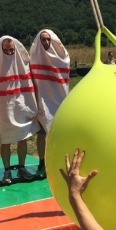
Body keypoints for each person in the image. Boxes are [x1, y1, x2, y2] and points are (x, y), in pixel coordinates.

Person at [0, 36, 40, 184]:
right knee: (5, 141)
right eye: (6, 50)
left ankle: (22, 167)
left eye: (11, 50)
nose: (9, 52)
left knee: (22, 139)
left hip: (20, 104)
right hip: (3, 108)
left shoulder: (22, 63)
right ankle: (7, 171)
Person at [30, 29, 70, 179]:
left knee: (59, 135)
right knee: (41, 135)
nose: (46, 42)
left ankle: (59, 161)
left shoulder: (61, 57)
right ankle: (42, 162)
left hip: (58, 102)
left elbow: (64, 81)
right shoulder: (34, 57)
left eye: (48, 39)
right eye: (43, 40)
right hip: (41, 102)